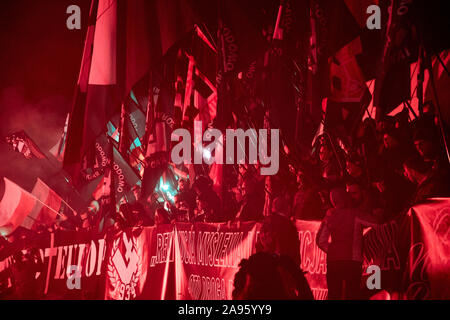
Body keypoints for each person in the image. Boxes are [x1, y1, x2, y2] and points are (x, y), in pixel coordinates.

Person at [316, 188, 380, 300]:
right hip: (352, 259)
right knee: (353, 293)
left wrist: (332, 250)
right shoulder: (356, 214)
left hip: (333, 260)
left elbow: (320, 241)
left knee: (334, 294)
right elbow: (376, 224)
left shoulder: (329, 216)